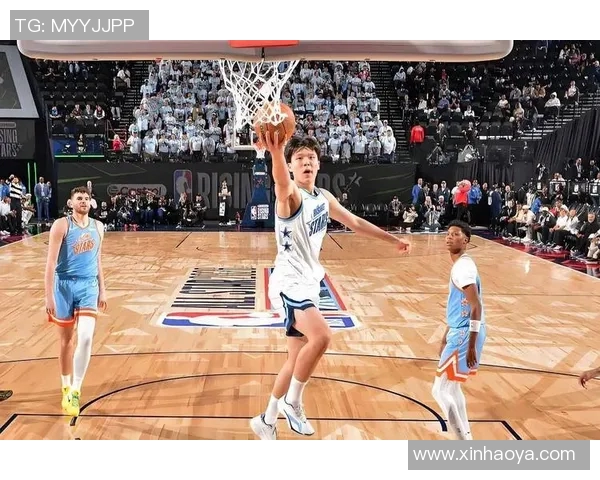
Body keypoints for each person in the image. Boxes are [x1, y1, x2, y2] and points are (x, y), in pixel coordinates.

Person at [250, 132, 411, 440]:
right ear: (291, 166)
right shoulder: (291, 196)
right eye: (299, 159)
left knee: (295, 360)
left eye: (311, 158)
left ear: (319, 164)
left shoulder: (323, 197)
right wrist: (277, 151)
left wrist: (393, 240)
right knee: (322, 336)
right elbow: (281, 183)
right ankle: (292, 402)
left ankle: (266, 420)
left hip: (309, 282)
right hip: (289, 283)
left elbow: (355, 223)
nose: (306, 162)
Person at [44, 186, 107, 417]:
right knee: (67, 342)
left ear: (91, 202)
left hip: (88, 285)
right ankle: (65, 386)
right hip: (63, 286)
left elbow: (98, 261)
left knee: (87, 337)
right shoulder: (61, 225)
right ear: (70, 203)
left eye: (86, 198)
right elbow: (51, 263)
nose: (83, 201)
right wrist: (48, 295)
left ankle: (76, 390)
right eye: (79, 198)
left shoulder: (98, 227)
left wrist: (103, 290)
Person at [432, 220, 486, 440]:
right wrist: (445, 336)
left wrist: (471, 344)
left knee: (439, 390)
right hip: (462, 331)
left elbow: (476, 306)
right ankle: (467, 439)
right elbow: (460, 305)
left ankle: (462, 443)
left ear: (466, 240)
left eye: (455, 234)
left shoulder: (463, 267)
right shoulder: (464, 264)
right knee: (453, 389)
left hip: (465, 333)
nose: (449, 237)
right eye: (448, 234)